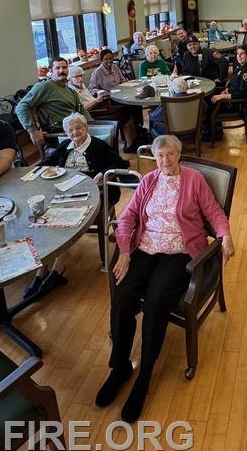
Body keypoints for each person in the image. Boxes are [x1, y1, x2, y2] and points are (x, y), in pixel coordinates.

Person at [98, 134, 234, 422]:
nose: (165, 161)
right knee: (122, 298)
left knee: (156, 303)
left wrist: (225, 236)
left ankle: (144, 375)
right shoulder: (148, 180)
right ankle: (120, 367)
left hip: (179, 252)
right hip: (145, 249)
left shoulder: (194, 179)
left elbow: (214, 212)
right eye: (160, 156)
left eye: (170, 154)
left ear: (179, 154)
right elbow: (128, 217)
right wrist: (124, 251)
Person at [26, 111, 132, 297]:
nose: (74, 132)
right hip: (63, 192)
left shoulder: (98, 146)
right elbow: (47, 162)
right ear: (66, 133)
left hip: (94, 193)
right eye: (70, 130)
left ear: (86, 128)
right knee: (42, 216)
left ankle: (58, 268)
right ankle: (42, 270)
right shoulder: (65, 145)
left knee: (60, 219)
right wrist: (36, 171)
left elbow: (122, 163)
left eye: (78, 128)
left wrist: (103, 172)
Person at [15, 57, 82, 155]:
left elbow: (81, 110)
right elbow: (21, 107)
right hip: (60, 135)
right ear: (51, 71)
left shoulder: (71, 91)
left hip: (78, 130)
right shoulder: (44, 86)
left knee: (110, 127)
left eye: (64, 67)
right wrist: (33, 130)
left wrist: (94, 124)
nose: (61, 71)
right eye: (57, 68)